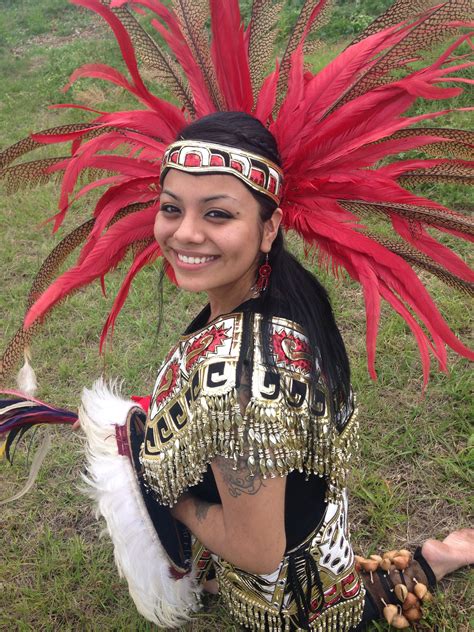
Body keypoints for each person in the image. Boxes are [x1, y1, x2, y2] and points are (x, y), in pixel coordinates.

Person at [1, 1, 473, 630]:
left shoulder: (243, 380)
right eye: (172, 207)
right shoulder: (283, 304)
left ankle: (429, 562)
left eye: (218, 213)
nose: (184, 233)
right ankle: (432, 558)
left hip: (289, 606)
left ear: (269, 227)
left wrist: (158, 485)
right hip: (314, 541)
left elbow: (257, 550)